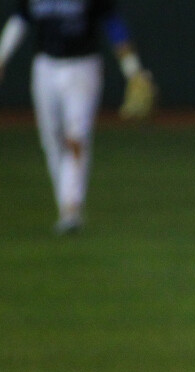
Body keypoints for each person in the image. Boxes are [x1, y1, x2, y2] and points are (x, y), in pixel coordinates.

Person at [0, 0, 153, 234]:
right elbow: (20, 19)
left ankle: (71, 209)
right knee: (51, 141)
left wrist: (132, 69)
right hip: (45, 67)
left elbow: (112, 23)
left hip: (83, 66)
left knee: (76, 136)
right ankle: (66, 204)